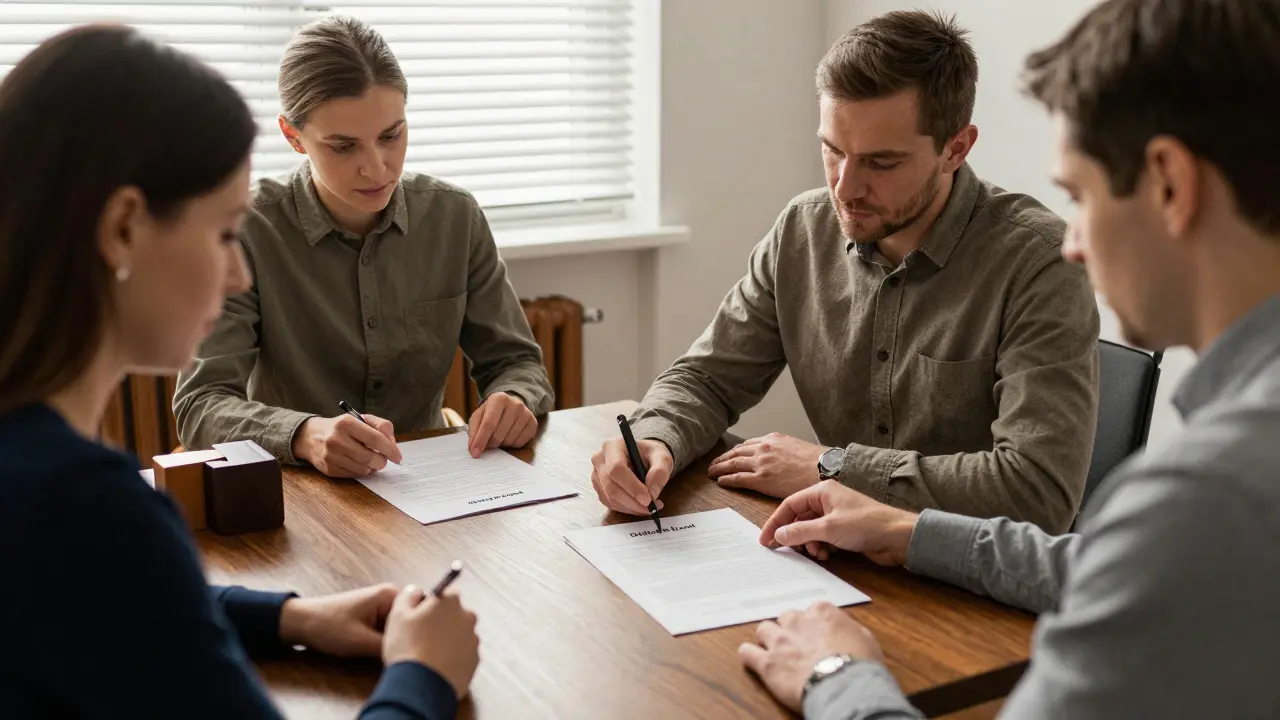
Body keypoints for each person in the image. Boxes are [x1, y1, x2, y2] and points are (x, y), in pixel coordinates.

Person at [738, 0, 1280, 717]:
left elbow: (1141, 547)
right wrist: (913, 532)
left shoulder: (1205, 497)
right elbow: (1110, 566)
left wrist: (836, 673)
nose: (1075, 242)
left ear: (1170, 185)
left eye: (1079, 196)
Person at [0, 25, 478, 718]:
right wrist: (422, 676)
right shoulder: (88, 508)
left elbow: (106, 597)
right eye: (225, 232)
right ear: (123, 229)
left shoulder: (45, 489)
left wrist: (286, 617)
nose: (238, 274)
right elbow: (109, 566)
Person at [591, 10, 1100, 533]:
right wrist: (658, 436)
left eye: (881, 163)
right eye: (832, 150)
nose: (845, 187)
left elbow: (1037, 491)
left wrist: (831, 467)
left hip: (971, 587)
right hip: (843, 557)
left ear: (956, 149)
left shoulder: (1040, 261)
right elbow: (709, 378)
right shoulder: (803, 230)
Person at [174, 16, 553, 478]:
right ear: (293, 137)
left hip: (430, 482)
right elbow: (201, 403)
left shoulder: (455, 216)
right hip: (299, 491)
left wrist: (512, 398)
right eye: (343, 147)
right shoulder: (248, 231)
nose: (376, 169)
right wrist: (304, 434)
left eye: (391, 136)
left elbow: (516, 362)